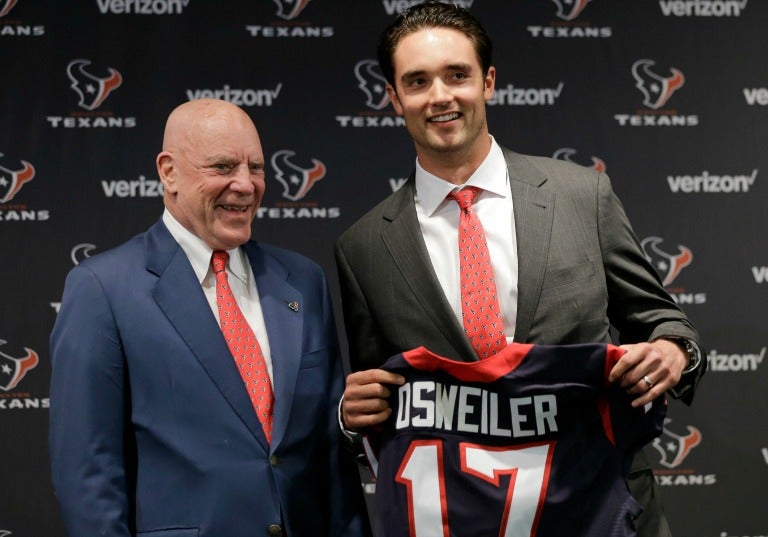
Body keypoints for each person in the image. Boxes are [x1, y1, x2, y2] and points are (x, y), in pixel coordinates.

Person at [335, 2, 705, 536]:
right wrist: (354, 418)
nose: (440, 96)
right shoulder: (363, 246)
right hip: (464, 517)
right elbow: (381, 407)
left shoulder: (582, 196)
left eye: (456, 75)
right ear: (393, 98)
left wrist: (674, 351)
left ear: (487, 82)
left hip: (599, 502)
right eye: (417, 81)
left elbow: (663, 321)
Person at [49, 98, 370, 537]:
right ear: (168, 171)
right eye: (222, 167)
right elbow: (88, 473)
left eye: (255, 168)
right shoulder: (102, 289)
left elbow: (331, 457)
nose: (245, 185)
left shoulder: (303, 281)